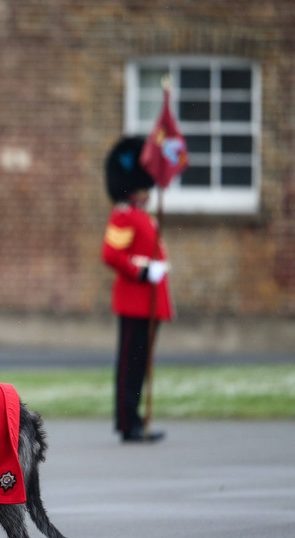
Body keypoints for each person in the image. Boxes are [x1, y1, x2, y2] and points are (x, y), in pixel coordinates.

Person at [101, 136, 172, 443]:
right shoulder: (124, 215)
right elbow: (111, 254)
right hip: (134, 301)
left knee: (139, 364)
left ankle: (135, 418)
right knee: (130, 365)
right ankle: (127, 422)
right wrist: (143, 271)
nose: (147, 193)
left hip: (147, 302)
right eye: (143, 188)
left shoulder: (142, 216)